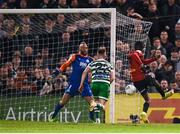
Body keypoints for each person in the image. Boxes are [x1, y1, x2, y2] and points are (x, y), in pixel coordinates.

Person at [48, 42, 96, 122]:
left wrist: (92, 77)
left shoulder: (90, 60)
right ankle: (52, 117)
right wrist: (58, 71)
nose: (84, 49)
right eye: (82, 47)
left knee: (92, 103)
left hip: (84, 85)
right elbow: (66, 64)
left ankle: (93, 120)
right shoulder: (75, 56)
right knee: (63, 102)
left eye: (86, 47)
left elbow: (93, 71)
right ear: (79, 49)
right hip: (73, 84)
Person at [128, 41, 174, 123]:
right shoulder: (136, 52)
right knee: (152, 78)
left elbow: (144, 62)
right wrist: (141, 65)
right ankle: (163, 94)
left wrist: (155, 58)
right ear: (142, 48)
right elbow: (136, 57)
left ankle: (144, 114)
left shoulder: (134, 55)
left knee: (148, 100)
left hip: (136, 82)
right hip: (141, 77)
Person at [79, 47, 115, 123]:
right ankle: (99, 108)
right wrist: (108, 83)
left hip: (94, 83)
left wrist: (81, 84)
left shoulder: (92, 63)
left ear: (97, 54)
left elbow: (84, 72)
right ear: (105, 54)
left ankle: (97, 120)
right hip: (104, 84)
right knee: (101, 104)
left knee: (95, 102)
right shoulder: (109, 64)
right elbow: (113, 77)